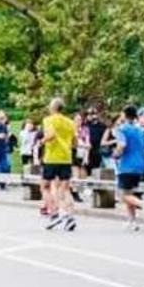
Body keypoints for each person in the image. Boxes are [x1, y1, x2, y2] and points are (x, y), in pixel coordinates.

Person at [106, 105, 144, 229]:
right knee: (129, 192)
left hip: (127, 165)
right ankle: (132, 221)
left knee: (123, 195)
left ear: (124, 115)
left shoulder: (121, 129)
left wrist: (115, 154)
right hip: (140, 165)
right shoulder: (140, 130)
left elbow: (122, 145)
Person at [39, 97, 78, 231]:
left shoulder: (49, 120)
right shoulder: (70, 122)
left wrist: (41, 142)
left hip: (52, 158)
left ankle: (54, 214)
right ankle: (70, 217)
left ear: (52, 107)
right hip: (66, 158)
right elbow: (75, 142)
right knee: (66, 189)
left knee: (44, 186)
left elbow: (50, 135)